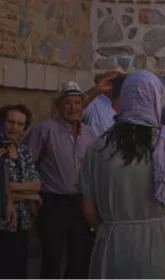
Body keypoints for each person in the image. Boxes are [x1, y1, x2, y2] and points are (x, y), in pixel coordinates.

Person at [77, 71, 165, 279]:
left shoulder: (97, 147)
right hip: (161, 241)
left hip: (112, 240)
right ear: (158, 99)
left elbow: (87, 209)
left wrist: (108, 229)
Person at [25, 81, 97, 280]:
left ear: (82, 106)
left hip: (81, 203)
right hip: (52, 203)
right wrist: (31, 197)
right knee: (51, 257)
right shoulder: (44, 130)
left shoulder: (89, 134)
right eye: (67, 102)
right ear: (58, 106)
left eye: (77, 102)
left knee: (79, 258)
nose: (72, 107)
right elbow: (28, 162)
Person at [0, 104, 41, 280]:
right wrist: (26, 192)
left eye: (19, 124)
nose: (14, 127)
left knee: (18, 271)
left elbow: (37, 185)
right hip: (2, 222)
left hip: (23, 222)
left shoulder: (24, 151)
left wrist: (10, 187)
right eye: (10, 122)